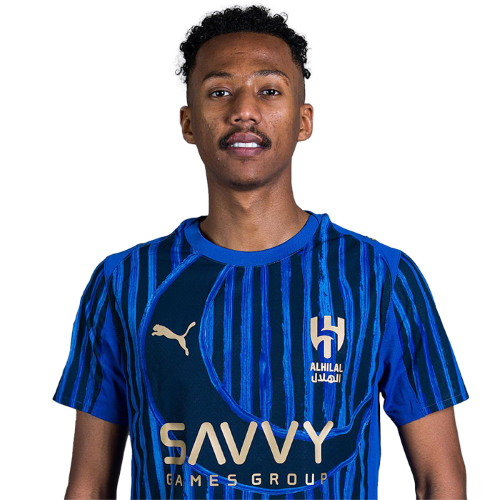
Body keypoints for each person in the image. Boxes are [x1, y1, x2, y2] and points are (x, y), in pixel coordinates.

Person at [54, 2, 469, 499]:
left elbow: (440, 480)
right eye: (219, 92)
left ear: (304, 120)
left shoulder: (383, 277)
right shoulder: (122, 281)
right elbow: (89, 484)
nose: (243, 111)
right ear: (187, 122)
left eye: (269, 90)